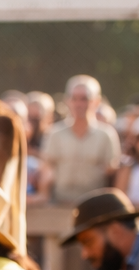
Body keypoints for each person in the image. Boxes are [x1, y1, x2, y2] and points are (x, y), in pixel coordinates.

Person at [39, 75, 122, 204]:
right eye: (74, 99)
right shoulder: (54, 134)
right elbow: (46, 169)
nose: (79, 104)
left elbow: (112, 172)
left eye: (84, 99)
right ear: (67, 101)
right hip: (59, 203)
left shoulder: (107, 135)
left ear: (96, 101)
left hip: (94, 206)